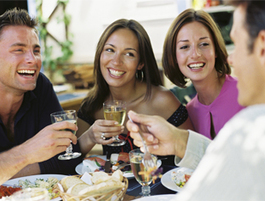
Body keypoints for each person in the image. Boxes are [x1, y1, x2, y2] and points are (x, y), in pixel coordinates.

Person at [127, 0, 265, 200]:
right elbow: (233, 169)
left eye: (237, 44)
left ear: (263, 46)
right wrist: (178, 141)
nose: (231, 58)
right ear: (173, 56)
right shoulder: (189, 110)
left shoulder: (255, 110)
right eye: (185, 47)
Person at [0, 8, 82, 196]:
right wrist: (27, 153)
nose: (32, 60)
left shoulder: (40, 86)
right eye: (19, 50)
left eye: (36, 51)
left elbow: (67, 157)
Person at [77, 19, 193, 165]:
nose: (116, 61)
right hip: (117, 187)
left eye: (129, 54)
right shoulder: (93, 105)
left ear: (141, 63)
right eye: (110, 50)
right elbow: (69, 158)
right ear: (100, 54)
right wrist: (90, 137)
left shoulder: (163, 101)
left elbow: (194, 156)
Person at [162, 8, 245, 139]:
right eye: (185, 47)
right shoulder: (189, 114)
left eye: (204, 44)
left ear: (216, 50)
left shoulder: (245, 93)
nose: (195, 54)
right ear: (174, 57)